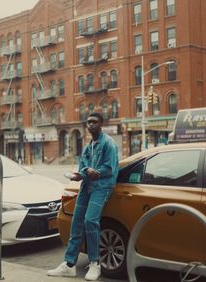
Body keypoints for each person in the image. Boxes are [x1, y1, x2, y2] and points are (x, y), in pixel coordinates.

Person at [47, 112, 119, 281]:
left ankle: (95, 263)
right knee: (77, 222)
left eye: (94, 122)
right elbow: (83, 167)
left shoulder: (109, 143)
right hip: (86, 186)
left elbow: (110, 168)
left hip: (102, 186)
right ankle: (69, 265)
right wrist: (80, 174)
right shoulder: (88, 146)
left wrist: (95, 172)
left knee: (90, 220)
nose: (90, 125)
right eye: (88, 122)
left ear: (101, 124)